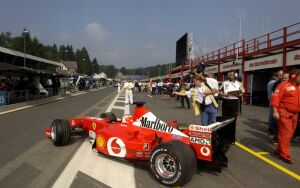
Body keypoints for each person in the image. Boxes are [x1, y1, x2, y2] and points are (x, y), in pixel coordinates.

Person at [270, 71, 300, 164]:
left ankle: (279, 150)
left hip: (295, 114)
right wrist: (275, 111)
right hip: (284, 113)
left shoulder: (297, 87)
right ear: (294, 76)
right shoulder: (283, 85)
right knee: (286, 135)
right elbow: (275, 98)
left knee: (290, 134)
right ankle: (284, 155)